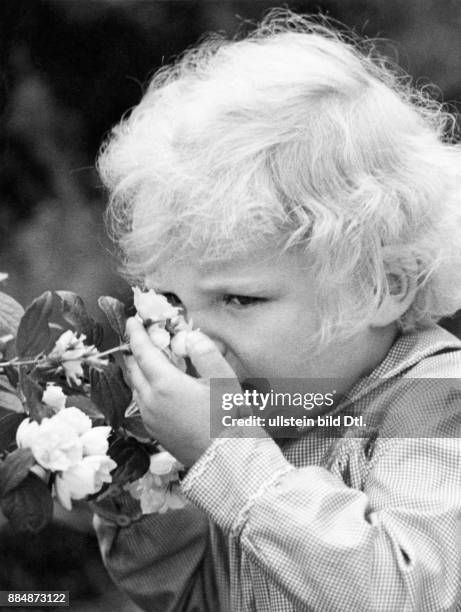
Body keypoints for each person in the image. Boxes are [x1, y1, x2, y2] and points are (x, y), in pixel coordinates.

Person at [93, 10, 461, 611]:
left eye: (239, 299)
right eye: (175, 303)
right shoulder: (268, 405)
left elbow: (408, 594)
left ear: (383, 284)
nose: (193, 341)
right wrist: (140, 471)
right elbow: (185, 594)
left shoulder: (438, 403)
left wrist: (229, 458)